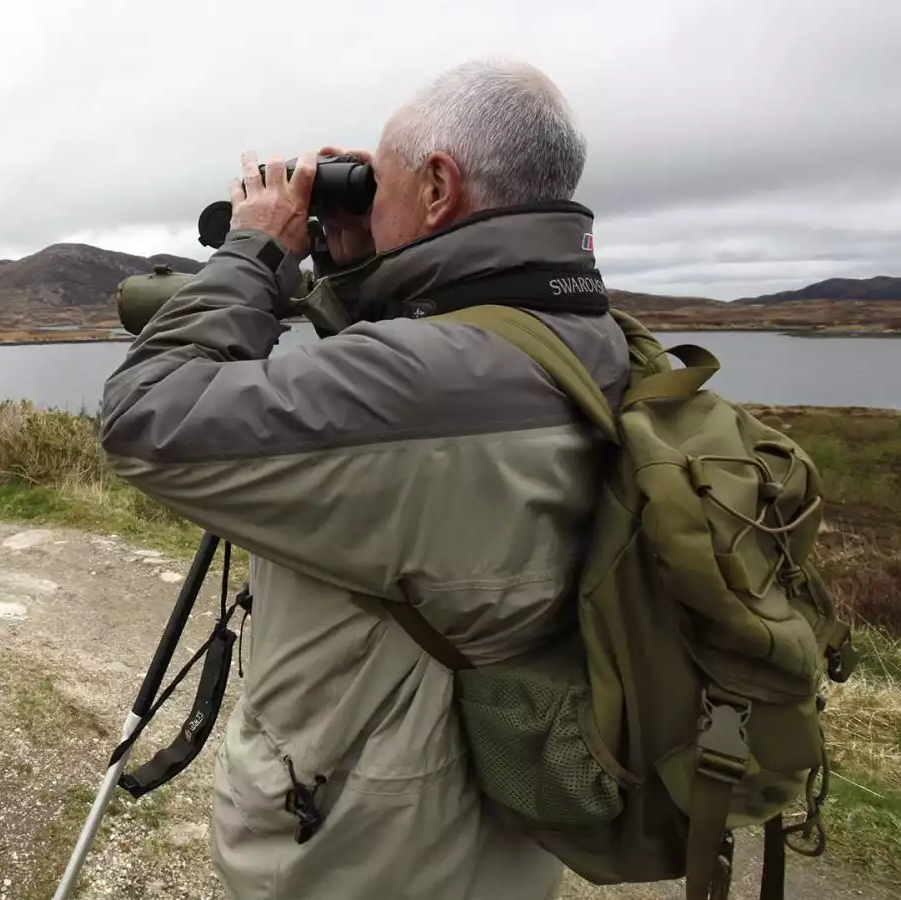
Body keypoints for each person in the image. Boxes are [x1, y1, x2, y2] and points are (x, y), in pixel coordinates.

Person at [96, 59, 629, 899]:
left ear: (439, 187)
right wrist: (356, 262)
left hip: (362, 840)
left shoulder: (428, 379)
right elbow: (403, 396)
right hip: (492, 824)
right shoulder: (575, 331)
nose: (362, 200)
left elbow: (145, 418)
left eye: (377, 181)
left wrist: (254, 249)